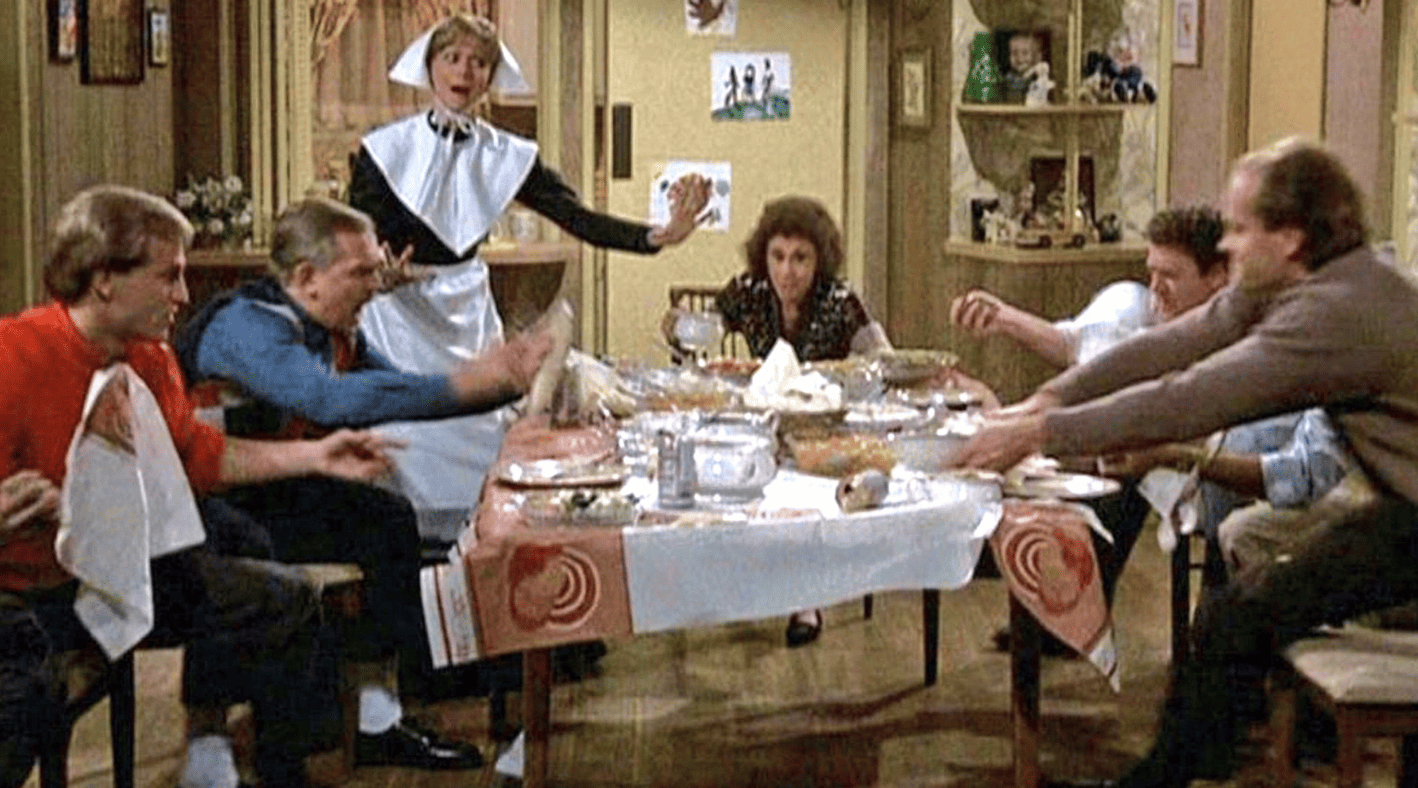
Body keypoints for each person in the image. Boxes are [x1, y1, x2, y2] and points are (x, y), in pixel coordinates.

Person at [956, 137, 1418, 787]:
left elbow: (1190, 397)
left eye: (1237, 228)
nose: (1226, 245)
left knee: (1244, 611)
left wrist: (1041, 433)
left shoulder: (1337, 309)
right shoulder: (1295, 281)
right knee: (1245, 607)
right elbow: (1170, 347)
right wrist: (1051, 396)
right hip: (1404, 508)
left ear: (1287, 237)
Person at [0, 185, 401, 788]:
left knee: (284, 602)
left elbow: (197, 458)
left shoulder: (152, 358)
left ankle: (282, 771)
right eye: (169, 277)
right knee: (23, 688)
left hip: (120, 573)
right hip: (27, 594)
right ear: (105, 278)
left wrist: (315, 455)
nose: (184, 297)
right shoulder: (14, 354)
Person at [174, 197, 552, 772]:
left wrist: (496, 384)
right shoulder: (247, 324)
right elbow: (326, 398)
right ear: (306, 278)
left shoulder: (332, 328)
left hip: (275, 485)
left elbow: (397, 389)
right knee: (246, 558)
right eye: (363, 272)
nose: (378, 285)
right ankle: (208, 740)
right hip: (207, 499)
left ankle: (377, 715)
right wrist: (480, 383)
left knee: (388, 521)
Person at [347, 13, 710, 537]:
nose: (464, 71)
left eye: (479, 62)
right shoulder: (384, 150)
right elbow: (354, 233)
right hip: (398, 318)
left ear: (490, 77)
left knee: (479, 434)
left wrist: (657, 236)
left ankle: (476, 557)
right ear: (431, 67)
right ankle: (407, 559)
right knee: (404, 437)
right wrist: (375, 275)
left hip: (465, 311)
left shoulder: (506, 154)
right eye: (453, 58)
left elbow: (576, 216)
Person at [664, 195, 891, 647]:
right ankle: (735, 585)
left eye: (801, 258)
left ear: (819, 261)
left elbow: (883, 361)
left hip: (821, 428)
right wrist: (677, 326)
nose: (787, 271)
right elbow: (699, 332)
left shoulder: (841, 301)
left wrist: (848, 381)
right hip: (760, 422)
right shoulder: (750, 290)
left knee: (801, 478)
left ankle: (805, 601)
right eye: (778, 257)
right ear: (763, 257)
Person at [1002, 31, 1044, 104]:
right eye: (1014, 53)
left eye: (1025, 53)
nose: (1019, 58)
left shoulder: (1037, 76)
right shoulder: (1009, 77)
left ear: (1037, 57)